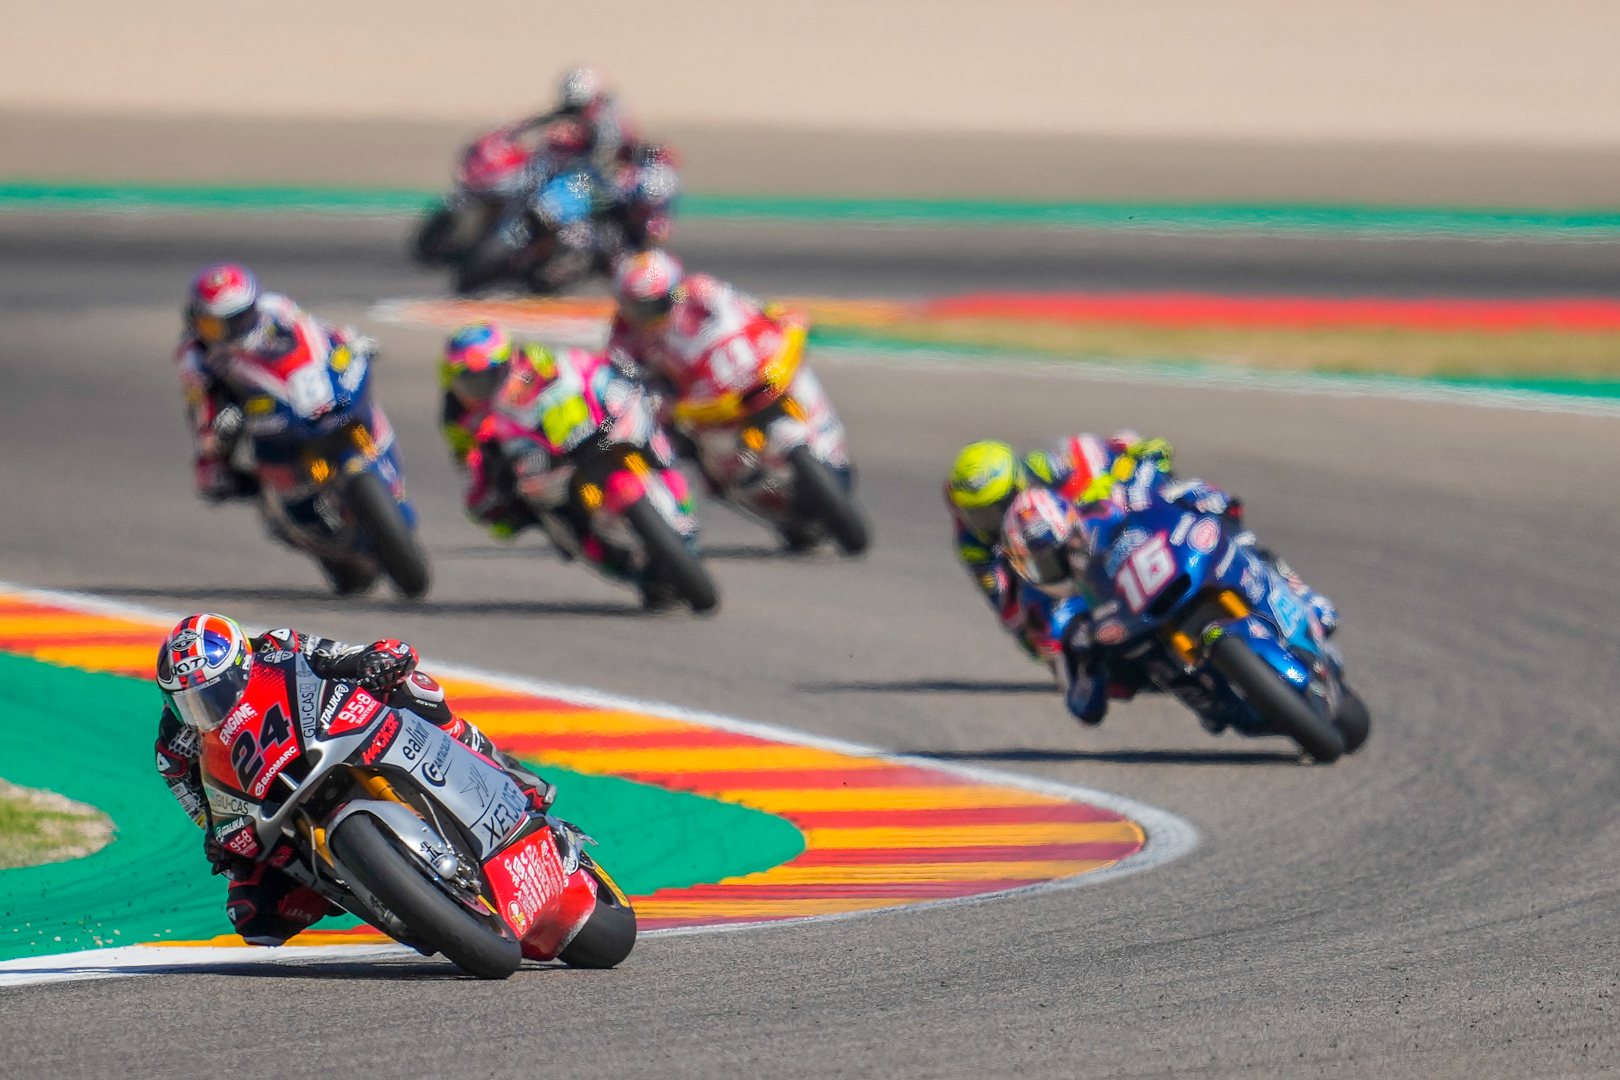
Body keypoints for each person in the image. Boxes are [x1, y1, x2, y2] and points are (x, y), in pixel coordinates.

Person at [154, 613, 555, 946]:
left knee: (413, 687)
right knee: (254, 916)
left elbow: (338, 655)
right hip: (268, 799)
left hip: (330, 734)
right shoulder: (175, 746)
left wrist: (375, 659)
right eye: (186, 701)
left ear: (241, 664)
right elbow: (201, 806)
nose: (201, 707)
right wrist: (217, 839)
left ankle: (505, 769)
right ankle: (365, 886)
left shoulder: (277, 647)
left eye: (212, 692)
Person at [999, 456, 1337, 728]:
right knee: (1146, 667)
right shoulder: (1042, 605)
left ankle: (1302, 597)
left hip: (1165, 573)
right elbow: (1082, 706)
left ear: (1072, 525)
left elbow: (1148, 493)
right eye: (1043, 563)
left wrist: (1180, 493)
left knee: (1231, 531)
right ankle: (1220, 697)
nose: (1059, 563)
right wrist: (1087, 659)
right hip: (1134, 634)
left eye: (1061, 549)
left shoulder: (1102, 511)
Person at [174, 262, 376, 503]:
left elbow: (317, 330)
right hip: (243, 405)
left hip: (298, 388)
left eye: (221, 323)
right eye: (206, 323)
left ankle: (374, 450)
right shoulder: (195, 352)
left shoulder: (276, 308)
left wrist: (348, 339)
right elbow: (199, 399)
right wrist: (212, 436)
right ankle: (270, 492)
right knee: (212, 475)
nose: (213, 332)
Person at [438, 322, 517, 471]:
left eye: (489, 379)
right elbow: (465, 462)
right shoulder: (455, 421)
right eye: (469, 384)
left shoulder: (531, 369)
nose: (480, 392)